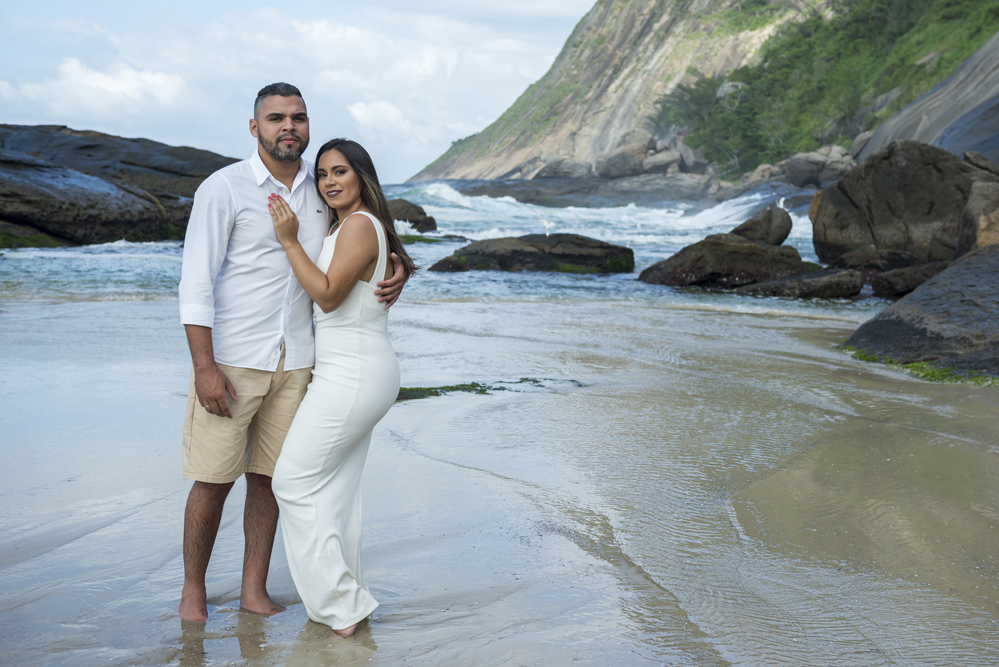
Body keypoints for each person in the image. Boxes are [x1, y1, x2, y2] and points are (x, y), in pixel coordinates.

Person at [176, 83, 406, 623]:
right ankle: (193, 591)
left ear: (307, 126)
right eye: (275, 117)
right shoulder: (224, 188)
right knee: (212, 480)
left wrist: (398, 269)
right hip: (233, 359)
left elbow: (358, 245)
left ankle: (253, 589)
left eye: (298, 117)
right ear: (254, 127)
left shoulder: (318, 190)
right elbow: (195, 284)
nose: (289, 126)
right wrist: (203, 366)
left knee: (269, 481)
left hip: (300, 362)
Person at [267, 138, 417, 637]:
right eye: (324, 174)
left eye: (341, 172)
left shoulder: (357, 225)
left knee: (291, 481)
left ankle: (343, 605)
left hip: (353, 373)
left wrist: (289, 240)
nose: (330, 182)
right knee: (334, 492)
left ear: (362, 177)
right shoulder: (351, 227)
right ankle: (342, 599)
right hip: (353, 370)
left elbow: (329, 297)